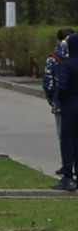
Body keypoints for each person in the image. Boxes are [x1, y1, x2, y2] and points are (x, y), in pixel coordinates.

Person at [43, 27, 74, 176]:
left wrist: (53, 100)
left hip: (61, 103)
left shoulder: (54, 59)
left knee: (63, 135)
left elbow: (48, 84)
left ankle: (66, 165)